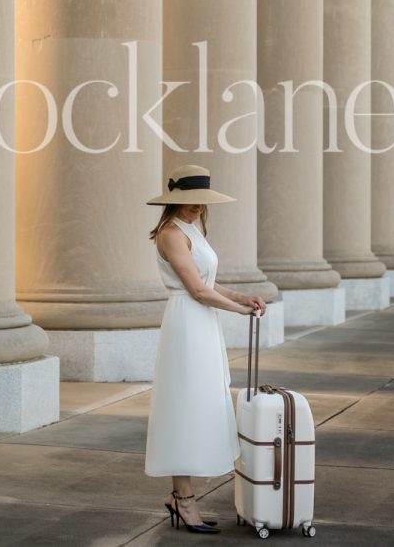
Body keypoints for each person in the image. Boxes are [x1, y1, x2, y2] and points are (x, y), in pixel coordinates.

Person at [144, 164, 267, 534]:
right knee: (185, 405)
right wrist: (241, 310)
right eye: (190, 199)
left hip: (202, 323)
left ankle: (180, 496)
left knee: (199, 404)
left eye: (201, 200)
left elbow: (208, 282)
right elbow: (196, 291)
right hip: (187, 322)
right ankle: (183, 499)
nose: (197, 205)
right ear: (175, 200)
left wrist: (240, 295)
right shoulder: (170, 233)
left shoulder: (194, 229)